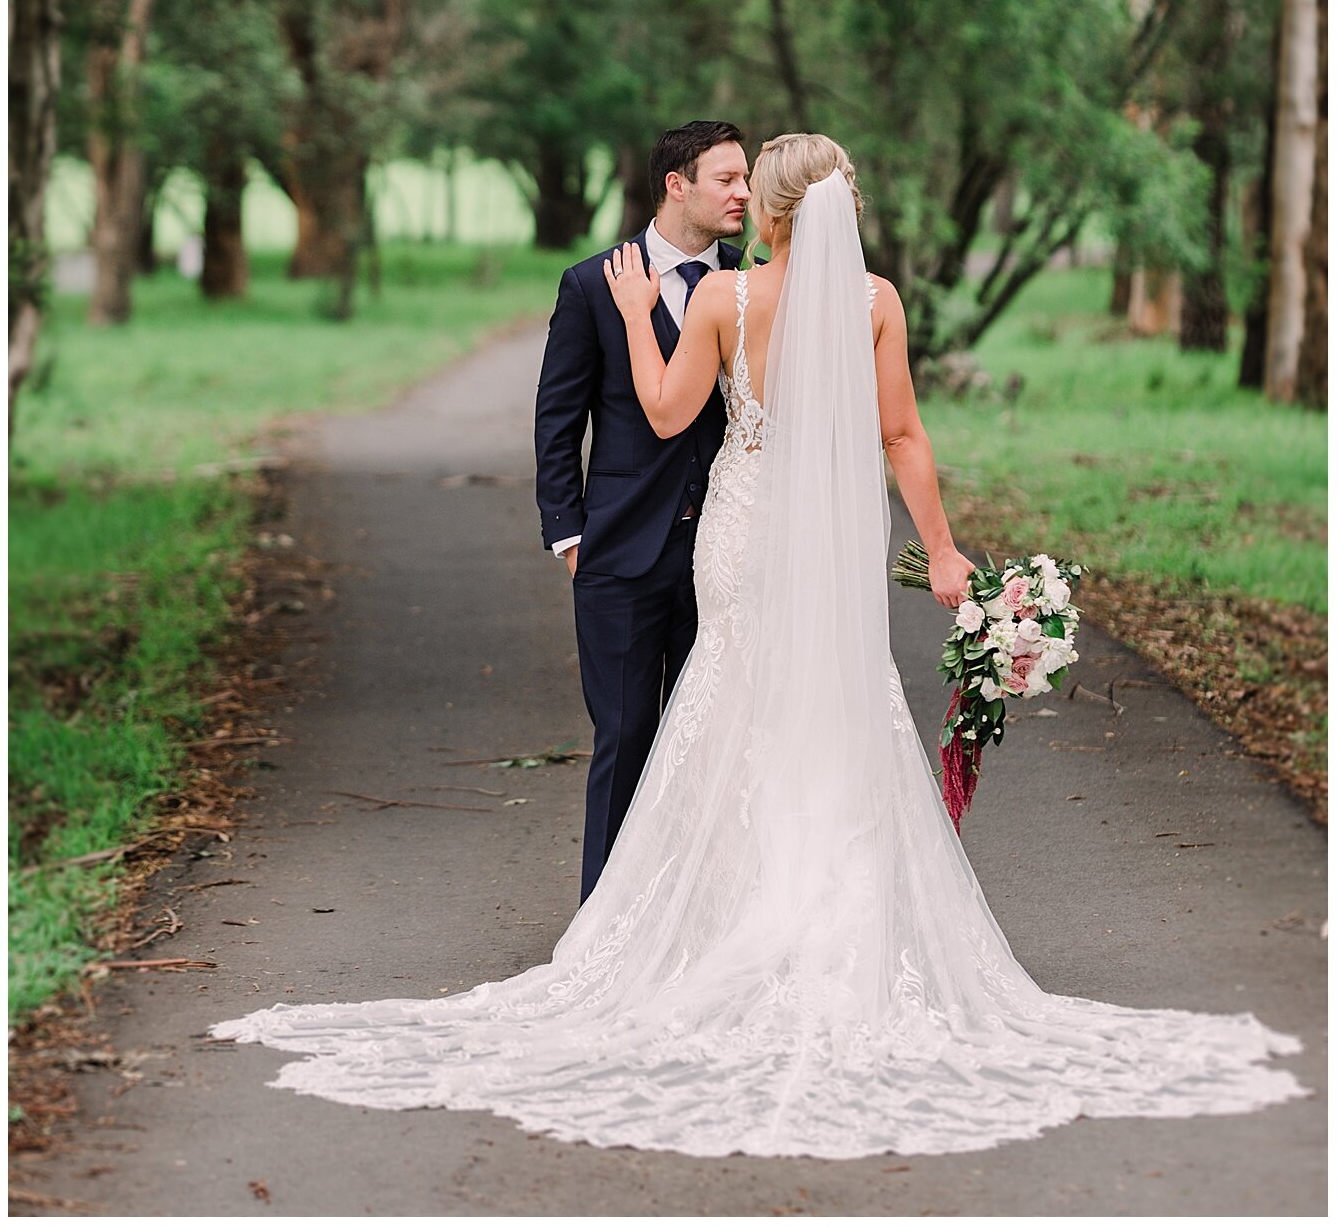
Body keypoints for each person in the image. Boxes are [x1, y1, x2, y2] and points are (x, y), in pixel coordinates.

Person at [212, 134, 1304, 1159]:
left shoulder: (729, 297)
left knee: (728, 701)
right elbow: (902, 436)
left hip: (738, 535)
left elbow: (658, 402)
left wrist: (641, 311)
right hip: (829, 541)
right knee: (835, 702)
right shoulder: (874, 302)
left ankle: (717, 922)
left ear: (771, 212)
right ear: (842, 210)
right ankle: (826, 923)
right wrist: (941, 547)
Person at [533, 118, 752, 899]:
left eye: (747, 178)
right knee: (625, 738)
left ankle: (697, 916)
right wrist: (569, 536)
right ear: (676, 184)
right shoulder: (594, 284)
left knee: (712, 744)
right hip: (619, 552)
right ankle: (606, 921)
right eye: (726, 179)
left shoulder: (750, 280)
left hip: (724, 554)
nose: (744, 193)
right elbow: (558, 421)